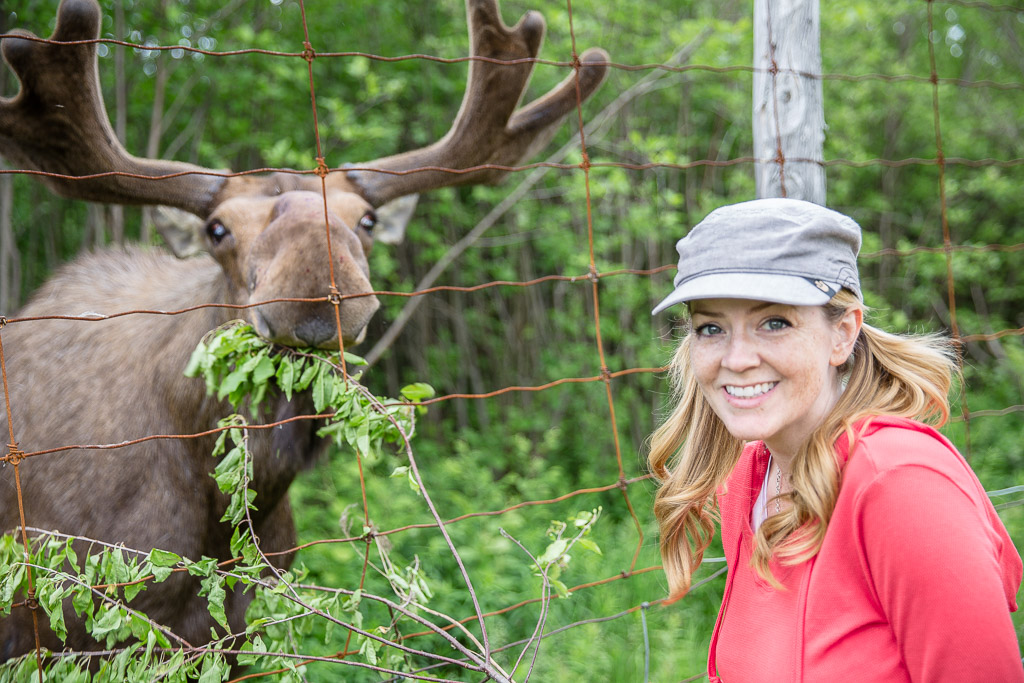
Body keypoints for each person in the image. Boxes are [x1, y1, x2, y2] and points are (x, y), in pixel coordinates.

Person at [648, 198, 1023, 682]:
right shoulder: (749, 480)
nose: (737, 358)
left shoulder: (900, 483)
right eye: (711, 328)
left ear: (843, 333)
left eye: (774, 323)